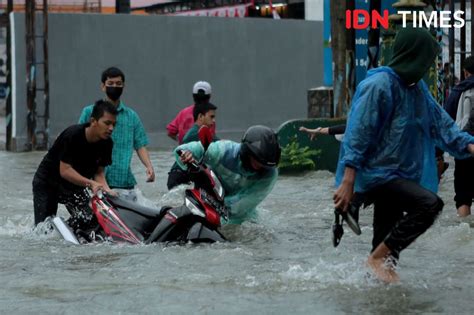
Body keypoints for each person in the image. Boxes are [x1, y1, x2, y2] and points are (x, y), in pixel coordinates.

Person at [333, 27, 474, 283]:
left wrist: (469, 145)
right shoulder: (378, 86)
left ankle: (375, 294)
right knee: (430, 204)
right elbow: (357, 134)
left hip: (400, 175)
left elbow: (442, 125)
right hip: (378, 175)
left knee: (387, 254)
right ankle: (375, 262)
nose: (429, 66)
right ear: (412, 56)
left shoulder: (416, 89)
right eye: (426, 60)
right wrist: (348, 180)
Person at [33, 100, 117, 230]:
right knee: (43, 229)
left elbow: (99, 173)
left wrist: (107, 190)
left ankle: (68, 230)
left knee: (90, 220)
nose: (111, 128)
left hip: (74, 187)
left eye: (113, 124)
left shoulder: (107, 143)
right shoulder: (72, 135)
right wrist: (91, 184)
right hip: (47, 183)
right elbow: (65, 171)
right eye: (107, 123)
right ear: (93, 121)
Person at [175, 125, 280, 224]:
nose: (259, 166)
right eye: (256, 160)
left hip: (240, 218)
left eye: (263, 164)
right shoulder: (224, 151)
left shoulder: (269, 175)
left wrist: (219, 205)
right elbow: (187, 149)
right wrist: (186, 154)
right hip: (205, 197)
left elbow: (245, 203)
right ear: (247, 152)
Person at [78, 67, 154, 198]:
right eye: (111, 84)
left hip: (124, 182)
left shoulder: (132, 116)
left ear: (124, 86)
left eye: (119, 84)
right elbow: (78, 141)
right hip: (95, 182)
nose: (115, 87)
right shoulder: (89, 112)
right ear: (103, 86)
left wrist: (149, 166)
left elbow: (140, 144)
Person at [444, 56, 474, 217]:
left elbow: (445, 121)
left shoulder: (458, 91)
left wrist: (438, 154)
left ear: (465, 72)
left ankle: (465, 226)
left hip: (464, 149)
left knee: (463, 196)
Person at [167, 102, 219, 190]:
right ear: (200, 117)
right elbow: (220, 145)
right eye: (211, 117)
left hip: (183, 177)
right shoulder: (196, 134)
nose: (214, 121)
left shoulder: (197, 132)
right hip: (180, 178)